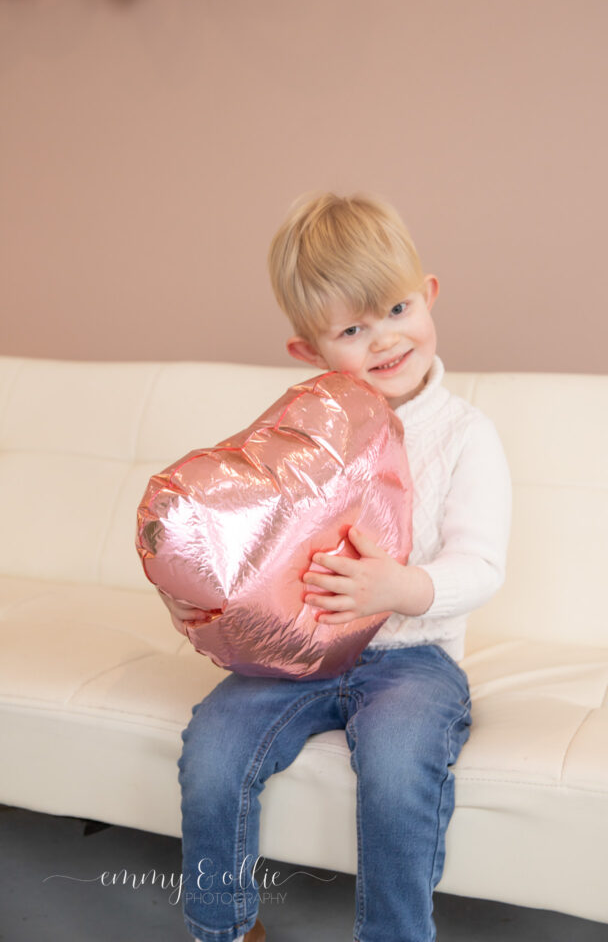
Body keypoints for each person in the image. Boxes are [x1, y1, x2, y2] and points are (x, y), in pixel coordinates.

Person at [175, 192, 512, 942]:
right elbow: (264, 536)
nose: (384, 339)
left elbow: (482, 564)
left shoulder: (465, 434)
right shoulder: (302, 427)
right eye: (353, 329)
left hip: (411, 659)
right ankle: (221, 925)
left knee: (396, 771)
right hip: (302, 656)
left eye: (395, 310)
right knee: (212, 751)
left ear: (428, 296)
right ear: (310, 352)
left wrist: (400, 588)